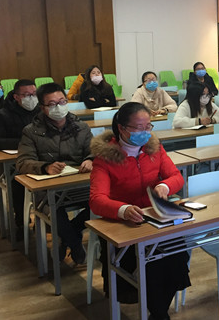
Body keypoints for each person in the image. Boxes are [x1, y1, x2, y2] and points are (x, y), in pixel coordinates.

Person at [90, 102, 190, 319]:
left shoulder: (154, 149)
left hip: (156, 217)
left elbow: (176, 176)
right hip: (125, 226)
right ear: (122, 128)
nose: (145, 133)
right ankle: (160, 314)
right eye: (138, 128)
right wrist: (123, 209)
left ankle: (158, 313)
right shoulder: (105, 159)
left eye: (148, 127)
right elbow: (97, 200)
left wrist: (164, 186)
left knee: (177, 258)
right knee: (152, 267)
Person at [16, 82, 93, 264]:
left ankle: (71, 233)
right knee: (55, 210)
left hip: (78, 183)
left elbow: (95, 150)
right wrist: (45, 167)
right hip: (48, 188)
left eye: (62, 102)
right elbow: (23, 162)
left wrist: (91, 159)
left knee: (101, 202)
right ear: (42, 107)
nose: (59, 107)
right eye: (52, 104)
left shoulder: (81, 127)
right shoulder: (31, 131)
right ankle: (75, 243)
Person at [0, 79, 40, 237]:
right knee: (18, 183)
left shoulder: (41, 110)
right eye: (27, 95)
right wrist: (24, 143)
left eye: (34, 94)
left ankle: (44, 219)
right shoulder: (3, 114)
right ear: (16, 97)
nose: (31, 98)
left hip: (40, 157)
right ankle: (21, 221)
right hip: (16, 162)